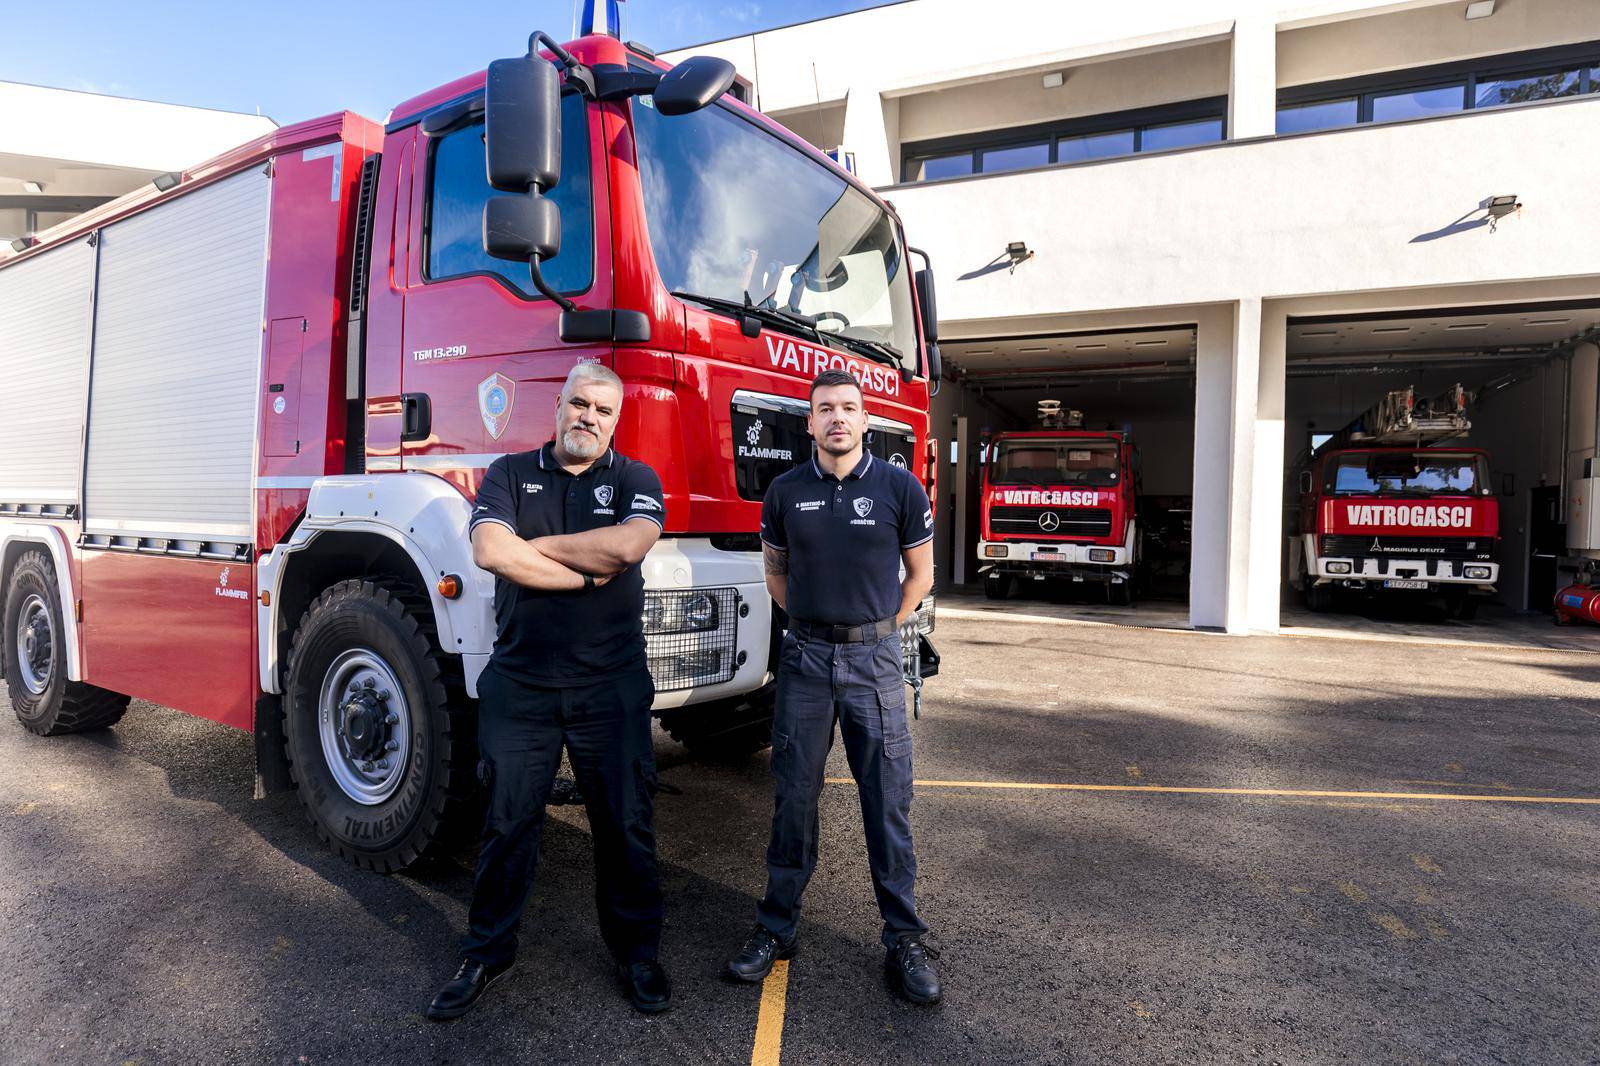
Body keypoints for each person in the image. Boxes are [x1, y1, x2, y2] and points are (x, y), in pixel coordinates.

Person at [427, 362, 670, 1020]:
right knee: (506, 824)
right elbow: (490, 553)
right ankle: (487, 949)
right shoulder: (509, 473)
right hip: (521, 684)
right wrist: (582, 574)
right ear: (558, 406)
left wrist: (540, 546)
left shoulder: (635, 479)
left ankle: (637, 952)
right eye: (579, 404)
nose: (589, 417)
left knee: (624, 825)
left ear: (615, 421)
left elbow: (626, 547)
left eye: (604, 410)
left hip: (609, 687)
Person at [725, 368, 942, 1005]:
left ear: (865, 420)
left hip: (874, 663)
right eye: (825, 410)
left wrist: (877, 630)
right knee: (794, 796)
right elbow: (776, 575)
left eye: (848, 408)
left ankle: (903, 936)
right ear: (810, 422)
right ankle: (776, 928)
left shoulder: (901, 488)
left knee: (887, 801)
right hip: (806, 664)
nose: (837, 418)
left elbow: (920, 575)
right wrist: (818, 632)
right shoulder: (786, 492)